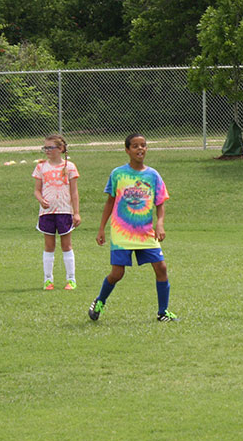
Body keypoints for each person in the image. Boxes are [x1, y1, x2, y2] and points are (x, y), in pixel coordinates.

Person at [89, 133, 178, 322]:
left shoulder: (153, 175)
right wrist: (101, 228)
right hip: (122, 232)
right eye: (135, 146)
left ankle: (163, 312)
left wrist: (160, 223)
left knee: (161, 267)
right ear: (127, 150)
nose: (140, 149)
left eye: (143, 145)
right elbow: (110, 202)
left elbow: (160, 203)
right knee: (117, 273)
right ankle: (100, 301)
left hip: (145, 232)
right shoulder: (118, 174)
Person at [32, 134, 81, 290]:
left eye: (50, 147)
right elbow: (37, 190)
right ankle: (48, 280)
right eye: (45, 147)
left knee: (66, 245)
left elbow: (74, 192)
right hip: (47, 213)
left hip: (64, 211)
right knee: (49, 246)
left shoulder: (70, 167)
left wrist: (76, 212)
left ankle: (71, 279)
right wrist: (41, 200)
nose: (47, 150)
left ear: (61, 149)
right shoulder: (41, 167)